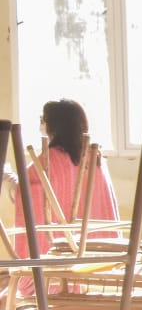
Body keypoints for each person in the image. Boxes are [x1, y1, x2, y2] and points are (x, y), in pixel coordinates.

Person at [12, 99, 120, 257]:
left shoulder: (48, 161)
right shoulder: (96, 159)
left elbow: (27, 190)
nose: (40, 124)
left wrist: (12, 183)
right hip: (98, 255)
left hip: (58, 255)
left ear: (54, 125)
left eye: (43, 120)